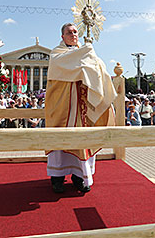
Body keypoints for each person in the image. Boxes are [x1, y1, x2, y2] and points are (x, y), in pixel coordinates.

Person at [45, 23, 116, 193]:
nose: (73, 34)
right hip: (62, 106)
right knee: (59, 139)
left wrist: (89, 56)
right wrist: (85, 52)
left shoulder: (87, 52)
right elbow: (63, 64)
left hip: (83, 106)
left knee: (84, 140)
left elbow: (99, 69)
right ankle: (57, 179)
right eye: (69, 32)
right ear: (62, 36)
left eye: (75, 32)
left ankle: (80, 178)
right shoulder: (57, 53)